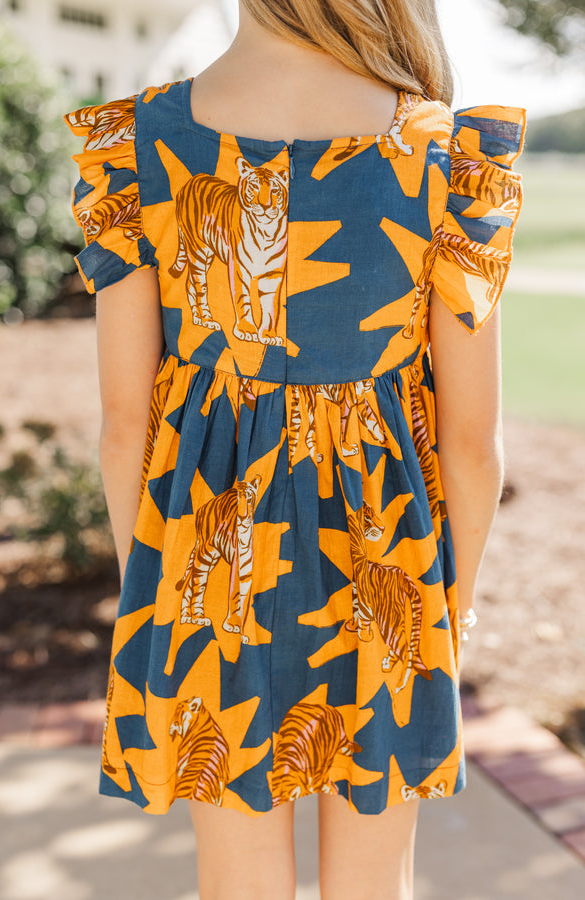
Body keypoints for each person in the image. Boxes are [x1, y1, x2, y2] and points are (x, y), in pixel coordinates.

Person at [64, 1, 526, 897]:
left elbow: (126, 426)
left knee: (236, 882)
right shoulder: (443, 158)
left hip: (206, 577)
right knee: (373, 882)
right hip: (386, 565)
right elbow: (472, 446)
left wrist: (153, 595)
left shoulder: (140, 147)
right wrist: (451, 610)